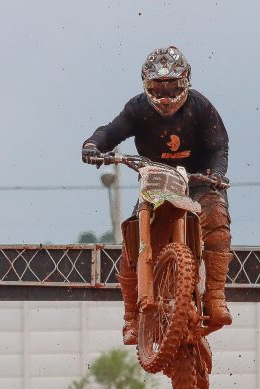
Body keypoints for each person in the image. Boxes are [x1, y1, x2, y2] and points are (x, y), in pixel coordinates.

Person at [81, 46, 233, 344]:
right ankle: (131, 317)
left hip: (198, 179)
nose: (164, 96)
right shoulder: (138, 108)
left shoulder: (201, 106)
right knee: (131, 236)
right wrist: (93, 145)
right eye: (157, 87)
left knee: (217, 219)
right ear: (146, 86)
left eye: (171, 86)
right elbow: (111, 131)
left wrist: (217, 175)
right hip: (156, 178)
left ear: (185, 81)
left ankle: (215, 295)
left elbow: (219, 146)